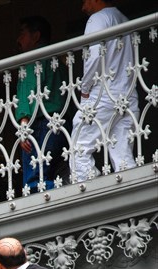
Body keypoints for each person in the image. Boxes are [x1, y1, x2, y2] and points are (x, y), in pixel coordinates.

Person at [70, 0, 139, 182]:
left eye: (84, 1)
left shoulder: (98, 18)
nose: (83, 8)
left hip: (104, 94)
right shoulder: (123, 19)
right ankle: (130, 196)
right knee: (123, 157)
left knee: (79, 147)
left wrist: (85, 89)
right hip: (128, 96)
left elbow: (93, 56)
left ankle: (89, 196)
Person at [15, 16, 69, 193]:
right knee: (59, 173)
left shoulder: (33, 58)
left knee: (34, 182)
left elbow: (29, 92)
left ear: (36, 36)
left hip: (41, 125)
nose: (18, 39)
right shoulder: (57, 60)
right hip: (61, 124)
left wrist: (24, 125)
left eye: (22, 33)